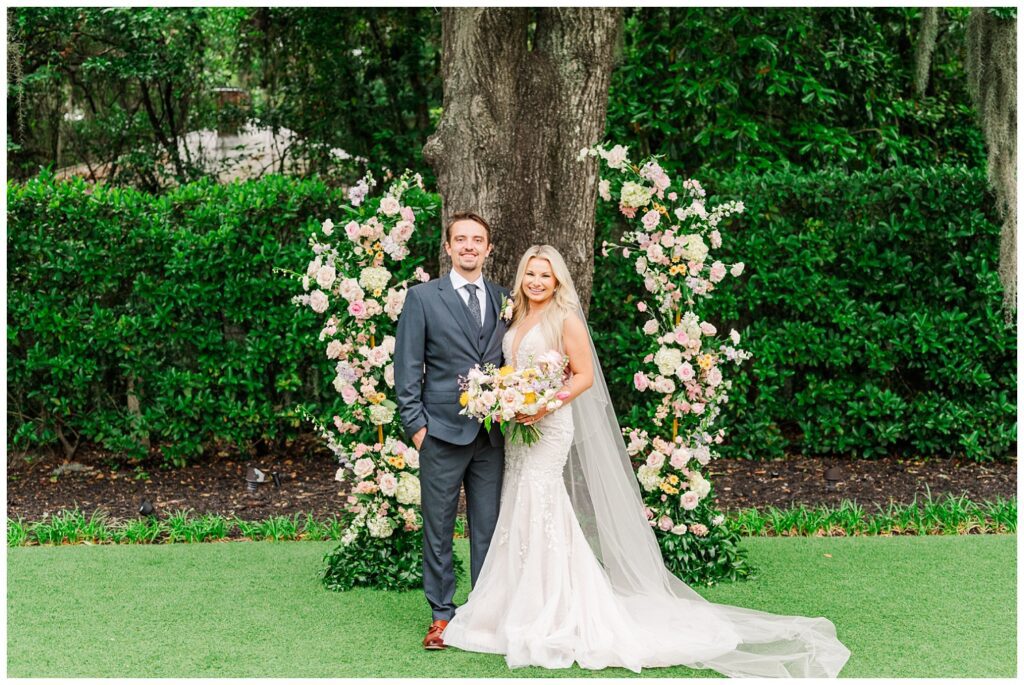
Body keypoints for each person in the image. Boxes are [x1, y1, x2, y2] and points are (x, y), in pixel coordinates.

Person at [440, 245, 852, 677]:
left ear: (558, 280)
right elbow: (511, 372)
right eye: (531, 274)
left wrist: (545, 404)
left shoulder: (566, 320)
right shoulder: (516, 317)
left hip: (550, 426)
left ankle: (556, 607)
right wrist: (506, 399)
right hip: (520, 430)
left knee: (541, 503)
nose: (537, 282)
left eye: (545, 275)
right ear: (522, 277)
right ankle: (515, 605)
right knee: (518, 503)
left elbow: (584, 377)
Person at [393, 212, 511, 651]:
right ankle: (441, 615)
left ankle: (483, 614)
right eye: (460, 239)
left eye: (476, 240)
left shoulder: (504, 299)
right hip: (439, 433)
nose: (468, 246)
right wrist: (417, 428)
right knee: (438, 528)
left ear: (488, 248)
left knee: (489, 528)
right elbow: (406, 367)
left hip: (492, 438)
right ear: (447, 247)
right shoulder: (423, 298)